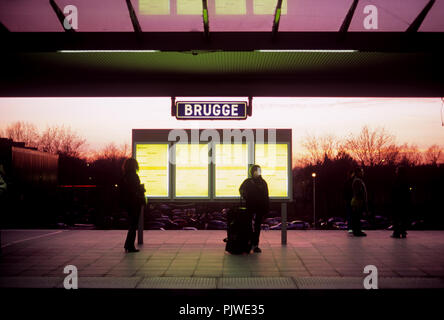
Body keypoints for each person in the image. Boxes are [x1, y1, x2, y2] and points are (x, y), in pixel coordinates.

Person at [239, 164, 269, 253]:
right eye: (255, 171)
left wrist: (266, 208)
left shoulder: (262, 182)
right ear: (252, 172)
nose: (257, 173)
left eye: (258, 171)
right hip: (250, 207)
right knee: (249, 226)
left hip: (258, 207)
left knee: (257, 227)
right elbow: (241, 190)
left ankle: (255, 244)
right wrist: (245, 196)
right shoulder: (251, 182)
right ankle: (249, 243)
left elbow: (266, 196)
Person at [120, 158, 146, 253]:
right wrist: (141, 189)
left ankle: (128, 245)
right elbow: (135, 189)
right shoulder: (134, 176)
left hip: (128, 203)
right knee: (133, 225)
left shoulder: (125, 176)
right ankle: (130, 246)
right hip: (135, 203)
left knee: (132, 224)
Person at [391, 166, 410, 238]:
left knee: (396, 218)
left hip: (397, 202)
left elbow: (394, 191)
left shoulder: (396, 180)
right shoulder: (406, 180)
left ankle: (396, 232)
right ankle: (403, 231)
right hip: (404, 202)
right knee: (403, 218)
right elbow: (408, 191)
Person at [350, 167, 368, 237]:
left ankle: (357, 231)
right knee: (357, 217)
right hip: (357, 202)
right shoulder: (357, 181)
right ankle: (357, 231)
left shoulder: (358, 180)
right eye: (361, 171)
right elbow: (358, 192)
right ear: (358, 173)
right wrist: (363, 201)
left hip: (357, 201)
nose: (362, 173)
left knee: (357, 217)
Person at [343, 169, 355, 235]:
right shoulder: (352, 182)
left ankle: (350, 228)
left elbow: (344, 192)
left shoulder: (347, 182)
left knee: (350, 215)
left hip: (349, 200)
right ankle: (351, 228)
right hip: (351, 200)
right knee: (352, 214)